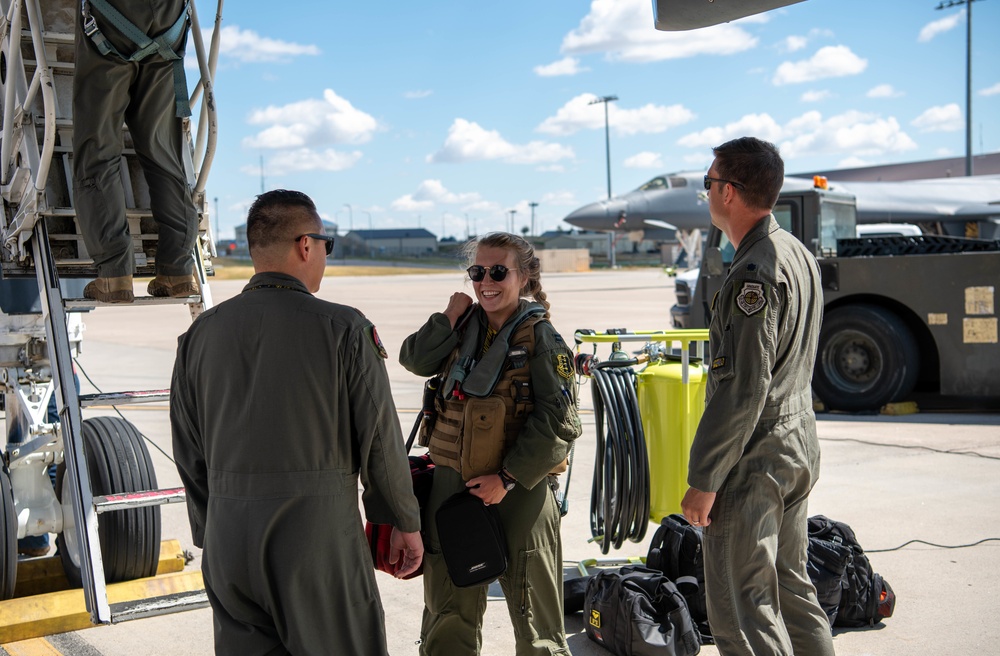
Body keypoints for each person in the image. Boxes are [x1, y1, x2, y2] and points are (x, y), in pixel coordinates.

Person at [170, 189, 423, 656]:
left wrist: (212, 527)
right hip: (315, 539)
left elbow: (187, 449)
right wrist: (403, 521)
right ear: (306, 245)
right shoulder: (344, 328)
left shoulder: (199, 335)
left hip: (229, 541)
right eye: (327, 244)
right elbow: (381, 443)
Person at [680, 137, 835, 656]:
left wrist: (705, 479)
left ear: (728, 191)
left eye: (708, 183)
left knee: (741, 606)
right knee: (792, 588)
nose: (706, 193)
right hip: (795, 443)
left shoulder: (755, 269)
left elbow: (744, 390)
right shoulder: (795, 251)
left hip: (755, 458)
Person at [400, 232, 581, 656]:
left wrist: (507, 477)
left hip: (520, 492)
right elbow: (413, 359)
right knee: (448, 612)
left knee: (535, 617)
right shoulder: (461, 327)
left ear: (525, 277)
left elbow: (560, 421)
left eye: (498, 271)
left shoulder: (541, 337)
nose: (486, 281)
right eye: (477, 272)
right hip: (452, 486)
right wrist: (448, 315)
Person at [73, 0, 200, 303]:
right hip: (170, 17)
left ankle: (114, 275)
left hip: (115, 12)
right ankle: (178, 271)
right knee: (162, 151)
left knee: (98, 149)